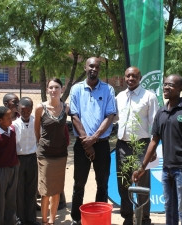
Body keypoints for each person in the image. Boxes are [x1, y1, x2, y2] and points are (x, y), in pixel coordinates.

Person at [132, 74, 182, 225]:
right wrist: (142, 167)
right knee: (169, 207)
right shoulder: (161, 112)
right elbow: (154, 141)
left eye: (171, 85)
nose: (166, 87)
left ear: (180, 88)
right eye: (165, 84)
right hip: (166, 169)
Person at [69, 57, 116, 225]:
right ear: (85, 67)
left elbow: (110, 115)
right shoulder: (76, 89)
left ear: (99, 70)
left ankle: (100, 217)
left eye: (96, 67)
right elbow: (74, 115)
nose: (93, 69)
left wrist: (94, 138)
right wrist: (86, 143)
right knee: (79, 184)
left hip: (102, 144)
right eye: (91, 66)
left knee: (102, 183)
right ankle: (76, 218)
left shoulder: (108, 89)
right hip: (82, 145)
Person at [115, 67, 159, 225]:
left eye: (134, 76)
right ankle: (127, 216)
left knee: (142, 184)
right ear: (124, 77)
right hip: (122, 145)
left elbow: (156, 124)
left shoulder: (149, 96)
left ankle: (144, 218)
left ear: (140, 78)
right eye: (128, 76)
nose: (131, 78)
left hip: (142, 145)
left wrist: (152, 149)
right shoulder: (119, 96)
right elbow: (114, 119)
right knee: (123, 183)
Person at [34, 78, 70, 225]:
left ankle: (52, 220)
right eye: (51, 87)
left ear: (62, 89)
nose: (53, 90)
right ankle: (44, 221)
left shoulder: (66, 108)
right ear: (47, 90)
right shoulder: (40, 108)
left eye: (56, 87)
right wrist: (41, 144)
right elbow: (36, 129)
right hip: (45, 155)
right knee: (45, 190)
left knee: (56, 189)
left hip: (61, 155)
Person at [12, 97, 40, 225]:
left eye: (28, 110)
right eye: (23, 110)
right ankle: (20, 219)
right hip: (19, 159)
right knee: (19, 189)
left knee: (31, 189)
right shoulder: (14, 125)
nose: (25, 112)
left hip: (32, 158)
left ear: (31, 109)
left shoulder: (36, 121)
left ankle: (31, 218)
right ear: (18, 110)